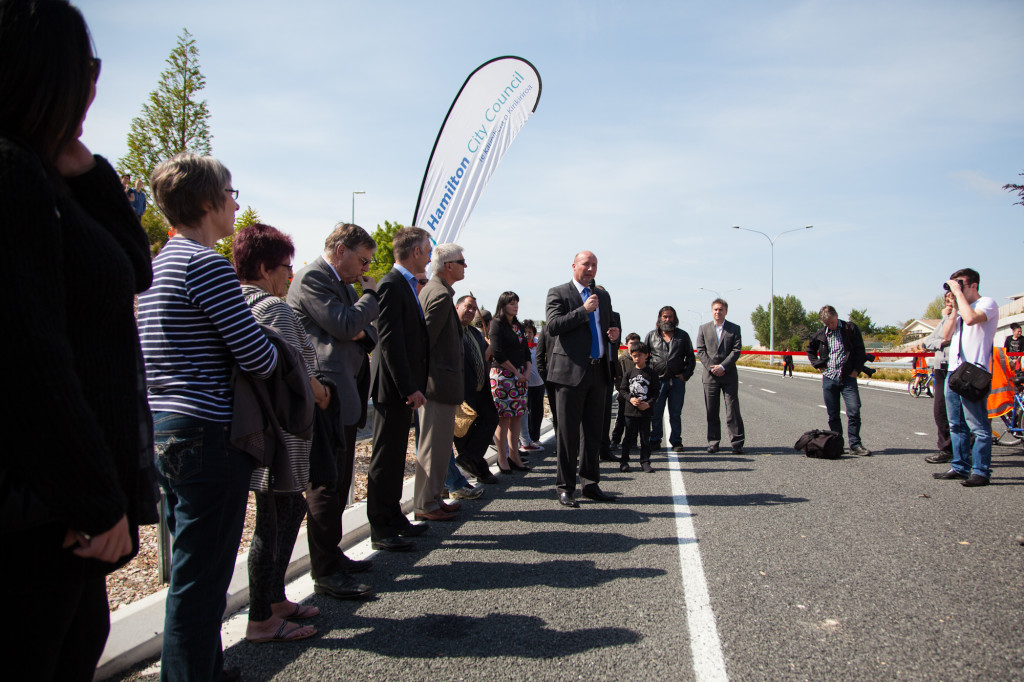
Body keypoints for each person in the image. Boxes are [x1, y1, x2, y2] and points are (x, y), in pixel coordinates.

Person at [2, 2, 154, 677]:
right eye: (87, 71)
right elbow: (30, 355)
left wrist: (86, 167)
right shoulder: (11, 175)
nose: (96, 86)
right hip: (41, 509)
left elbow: (133, 265)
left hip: (52, 506)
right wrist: (95, 499)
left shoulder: (43, 175)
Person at [139, 152, 279, 680]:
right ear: (205, 201)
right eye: (229, 193)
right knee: (204, 577)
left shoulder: (156, 264)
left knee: (187, 568)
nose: (233, 203)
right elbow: (258, 357)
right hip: (209, 431)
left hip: (166, 428)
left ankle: (202, 667)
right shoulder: (207, 265)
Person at [233, 223, 329, 643]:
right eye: (286, 267)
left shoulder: (232, 302)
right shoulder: (273, 309)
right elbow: (297, 370)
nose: (290, 276)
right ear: (264, 267)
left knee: (274, 515)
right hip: (283, 428)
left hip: (255, 426)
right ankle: (262, 616)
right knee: (278, 518)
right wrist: (321, 392)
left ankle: (274, 599)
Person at [288, 222, 380, 592]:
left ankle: (332, 553)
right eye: (362, 260)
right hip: (325, 394)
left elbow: (365, 334)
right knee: (325, 484)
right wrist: (369, 299)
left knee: (341, 483)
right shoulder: (313, 278)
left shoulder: (342, 285)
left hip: (345, 391)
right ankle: (325, 570)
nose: (364, 270)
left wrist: (356, 323)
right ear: (341, 250)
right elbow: (345, 325)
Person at [367, 227, 432, 551]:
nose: (431, 255)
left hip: (400, 388)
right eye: (428, 249)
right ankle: (381, 528)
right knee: (384, 458)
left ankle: (394, 517)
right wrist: (408, 387)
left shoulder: (405, 285)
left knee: (395, 458)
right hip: (391, 388)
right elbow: (390, 341)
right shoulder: (392, 284)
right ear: (416, 252)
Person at [545, 251, 620, 507]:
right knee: (567, 434)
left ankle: (590, 483)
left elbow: (608, 326)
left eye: (595, 265)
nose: (590, 269)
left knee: (593, 432)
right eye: (586, 264)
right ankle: (565, 487)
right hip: (569, 373)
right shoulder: (559, 292)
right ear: (574, 266)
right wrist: (582, 310)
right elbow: (553, 326)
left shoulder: (603, 295)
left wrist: (614, 333)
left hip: (598, 372)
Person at [414, 243, 467, 522]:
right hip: (436, 385)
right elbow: (424, 341)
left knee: (440, 446)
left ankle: (433, 498)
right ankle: (425, 502)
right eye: (461, 262)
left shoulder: (440, 291)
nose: (465, 266)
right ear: (448, 266)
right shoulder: (438, 294)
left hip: (440, 384)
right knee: (432, 447)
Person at [933, 269, 999, 487]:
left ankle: (981, 471)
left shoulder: (986, 303)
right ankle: (960, 466)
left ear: (973, 285)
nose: (955, 289)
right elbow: (947, 335)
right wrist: (952, 308)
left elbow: (971, 320)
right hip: (954, 371)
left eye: (960, 284)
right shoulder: (960, 310)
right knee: (956, 424)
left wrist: (958, 295)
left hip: (974, 372)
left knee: (977, 425)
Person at [806, 305, 871, 456]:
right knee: (833, 414)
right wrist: (818, 365)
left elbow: (860, 350)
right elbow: (810, 350)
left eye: (832, 322)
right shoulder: (821, 334)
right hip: (829, 378)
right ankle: (837, 444)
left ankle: (855, 444)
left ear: (836, 316)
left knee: (854, 410)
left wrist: (856, 370)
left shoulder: (850, 329)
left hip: (848, 377)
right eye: (827, 323)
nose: (830, 326)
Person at [453, 294, 501, 484]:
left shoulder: (475, 333)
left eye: (474, 309)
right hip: (462, 389)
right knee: (464, 430)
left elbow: (484, 357)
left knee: (491, 418)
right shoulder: (451, 330)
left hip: (481, 388)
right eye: (468, 307)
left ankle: (470, 459)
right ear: (457, 307)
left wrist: (488, 351)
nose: (471, 311)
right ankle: (480, 469)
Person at [489, 291, 532, 473]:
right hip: (503, 376)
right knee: (504, 418)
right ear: (503, 305)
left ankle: (515, 456)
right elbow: (497, 352)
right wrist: (515, 371)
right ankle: (502, 457)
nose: (515, 306)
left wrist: (527, 371)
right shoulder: (496, 324)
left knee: (517, 417)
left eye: (517, 303)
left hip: (521, 376)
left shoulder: (519, 325)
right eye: (511, 303)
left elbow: (526, 351)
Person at [695, 299, 745, 454]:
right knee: (712, 409)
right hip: (710, 376)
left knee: (732, 409)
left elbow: (736, 350)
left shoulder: (734, 329)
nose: (718, 312)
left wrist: (723, 366)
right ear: (712, 311)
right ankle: (713, 442)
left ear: (726, 311)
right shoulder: (703, 328)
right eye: (715, 309)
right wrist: (712, 368)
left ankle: (737, 443)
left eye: (721, 309)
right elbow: (701, 350)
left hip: (728, 374)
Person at [645, 306, 695, 452]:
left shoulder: (683, 336)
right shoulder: (651, 336)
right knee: (656, 413)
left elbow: (691, 358)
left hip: (676, 382)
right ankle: (655, 440)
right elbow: (645, 357)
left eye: (670, 317)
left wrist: (685, 375)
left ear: (675, 318)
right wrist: (649, 375)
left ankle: (676, 441)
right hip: (657, 382)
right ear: (660, 318)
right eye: (665, 316)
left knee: (675, 413)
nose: (667, 319)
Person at [916, 291, 955, 464]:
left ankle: (956, 450)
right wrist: (931, 342)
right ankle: (948, 449)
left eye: (952, 300)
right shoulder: (946, 318)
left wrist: (931, 343)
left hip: (953, 366)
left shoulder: (960, 316)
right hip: (941, 366)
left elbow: (946, 338)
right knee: (940, 411)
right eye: (946, 300)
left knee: (954, 412)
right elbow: (933, 338)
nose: (948, 303)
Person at [619, 341, 660, 473]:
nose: (637, 358)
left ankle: (645, 461)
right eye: (634, 355)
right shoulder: (629, 373)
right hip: (630, 412)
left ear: (646, 355)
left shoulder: (652, 374)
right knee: (628, 438)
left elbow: (655, 392)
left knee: (644, 438)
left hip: (645, 412)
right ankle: (624, 461)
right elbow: (623, 390)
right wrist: (631, 399)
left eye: (640, 355)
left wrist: (648, 404)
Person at [610, 332, 642, 452]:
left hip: (638, 398)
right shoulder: (622, 360)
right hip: (624, 397)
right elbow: (617, 379)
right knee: (621, 420)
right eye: (631, 343)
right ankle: (615, 441)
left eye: (636, 343)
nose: (634, 345)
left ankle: (632, 442)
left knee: (635, 422)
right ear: (627, 344)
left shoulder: (641, 359)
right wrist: (625, 393)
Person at [520, 320, 546, 452]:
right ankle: (525, 438)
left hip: (539, 383)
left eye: (529, 332)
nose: (527, 335)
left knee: (537, 411)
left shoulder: (538, 344)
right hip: (525, 385)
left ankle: (535, 437)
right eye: (525, 332)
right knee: (525, 412)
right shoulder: (520, 346)